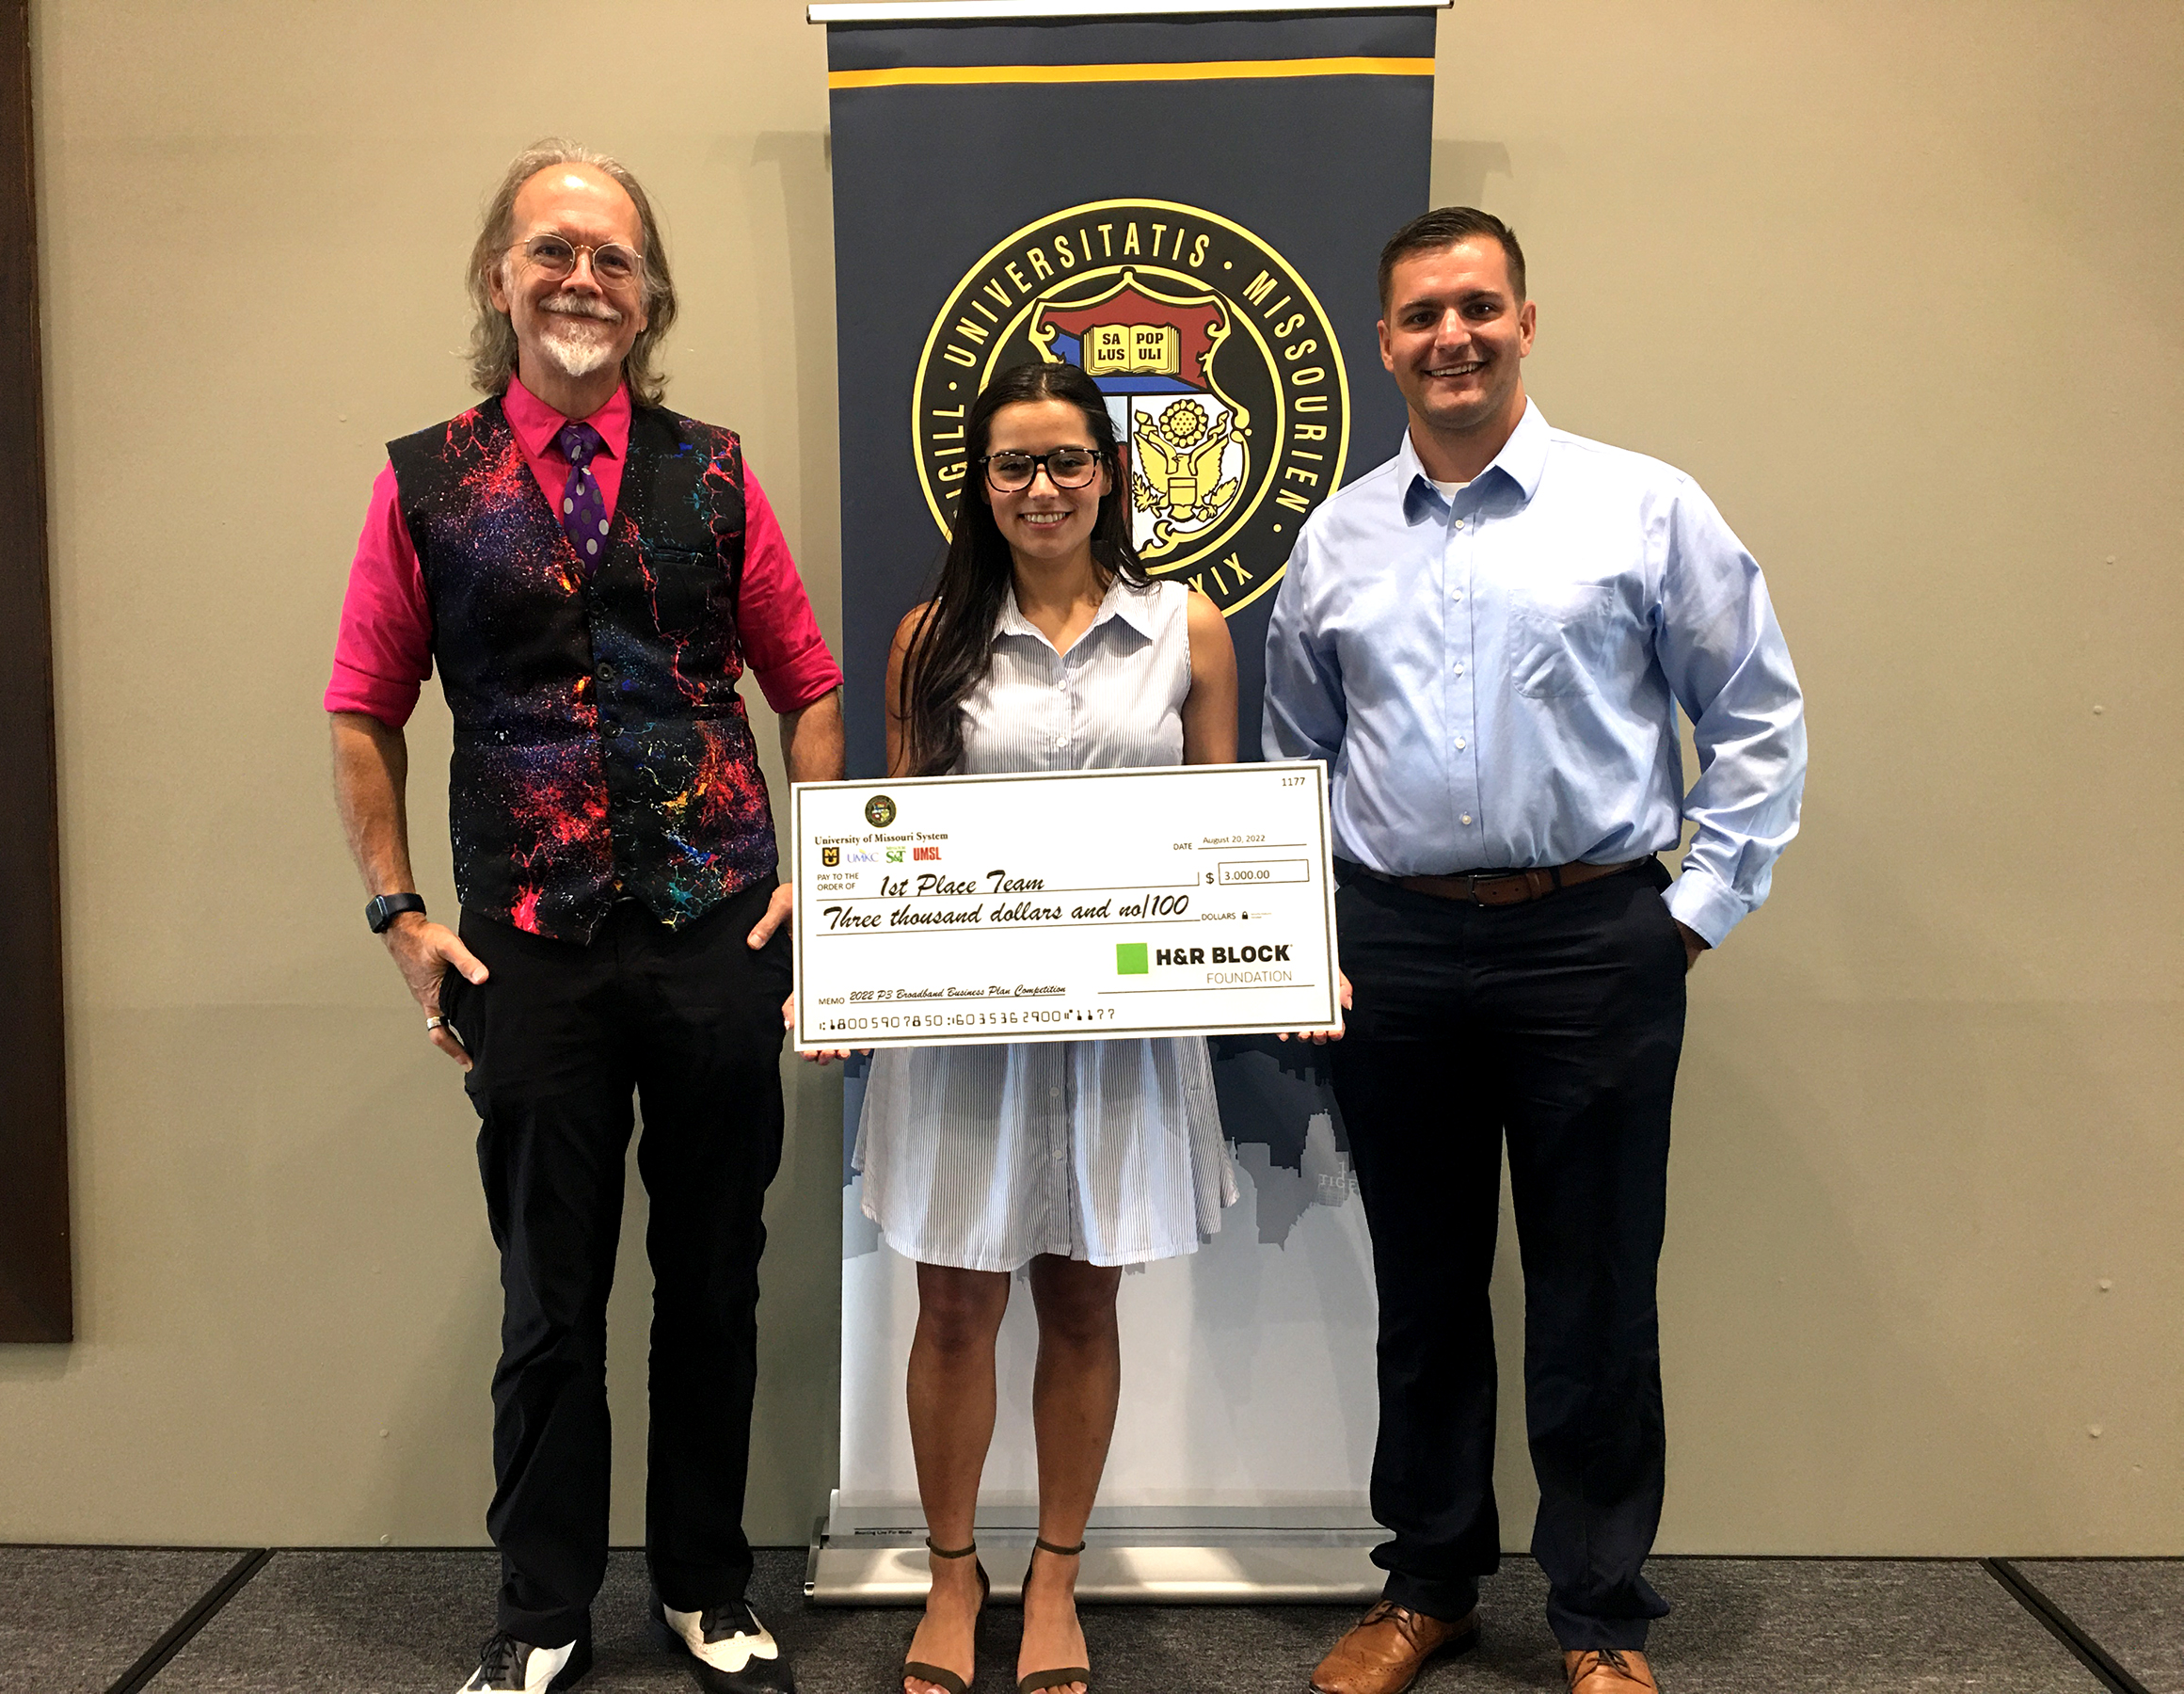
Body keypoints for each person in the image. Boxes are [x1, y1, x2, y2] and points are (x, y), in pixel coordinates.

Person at [1266, 209, 1808, 1694]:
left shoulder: (1643, 509)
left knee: (1593, 1289)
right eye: (1423, 314)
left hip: (1592, 942)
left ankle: (1597, 1617)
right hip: (1398, 950)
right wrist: (1314, 937)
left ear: (1523, 320)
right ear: (1382, 344)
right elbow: (1295, 757)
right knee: (1425, 1290)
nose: (1453, 336)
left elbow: (1756, 714)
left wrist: (1689, 915)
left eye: (1479, 307)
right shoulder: (1336, 541)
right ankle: (1430, 1583)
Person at [326, 140, 843, 1694]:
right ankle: (542, 1605)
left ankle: (703, 1582)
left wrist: (815, 876)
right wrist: (399, 912)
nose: (581, 280)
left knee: (715, 1277)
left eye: (612, 259)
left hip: (713, 933)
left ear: (648, 293)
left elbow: (808, 686)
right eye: (552, 251)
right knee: (550, 1291)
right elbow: (363, 708)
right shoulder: (423, 479)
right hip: (531, 947)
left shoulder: (718, 470)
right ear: (502, 278)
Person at [841, 360, 1238, 1694]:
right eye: (1013, 466)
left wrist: (1284, 966)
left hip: (1123, 1034)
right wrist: (849, 976)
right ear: (982, 486)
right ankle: (954, 1579)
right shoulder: (926, 641)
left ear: (1110, 470)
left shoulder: (1192, 630)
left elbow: (1225, 839)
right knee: (951, 1303)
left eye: (1067, 460)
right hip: (965, 1036)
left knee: (1082, 1297)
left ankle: (1056, 1583)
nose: (1043, 488)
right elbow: (896, 853)